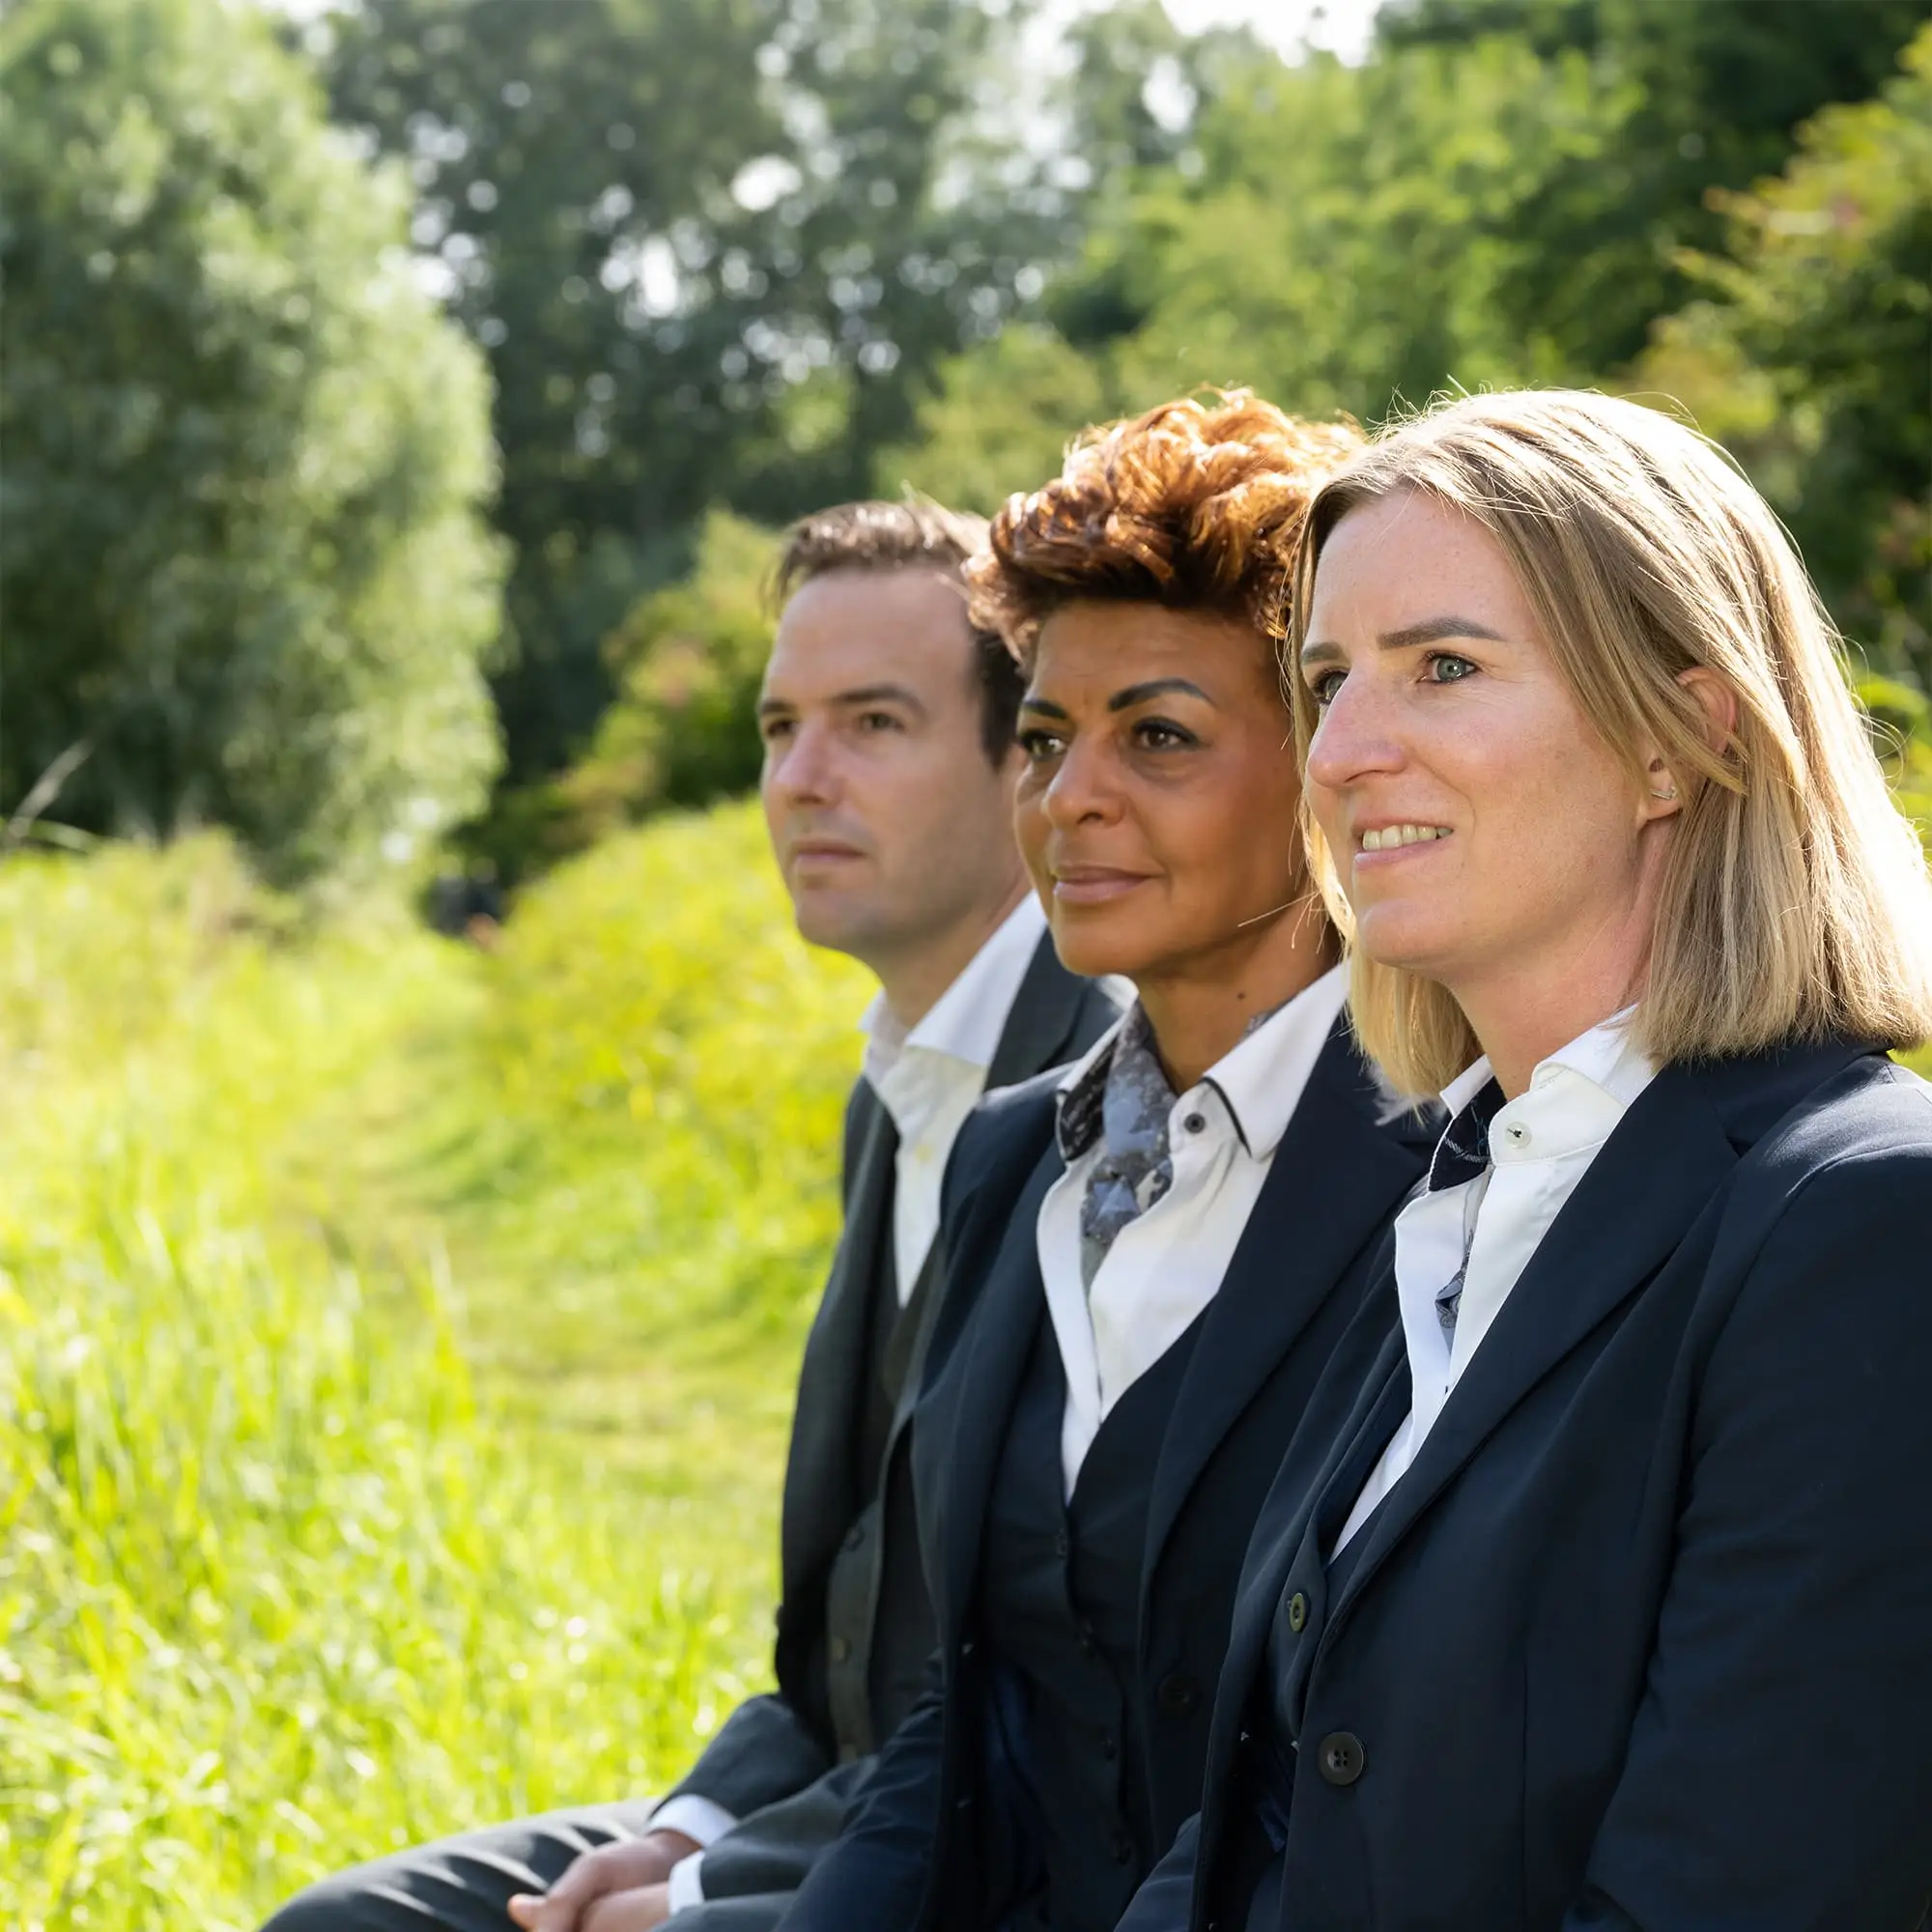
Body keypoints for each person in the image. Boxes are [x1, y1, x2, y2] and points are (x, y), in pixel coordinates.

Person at [1117, 389, 1932, 1932]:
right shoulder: (1460, 1196)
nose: (1344, 751)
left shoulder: (1867, 1223)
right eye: (1328, 681)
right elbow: (1252, 1833)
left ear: (1686, 738)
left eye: (1445, 667)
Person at [259, 500, 1122, 1932]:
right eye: (781, 729)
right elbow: (842, 1644)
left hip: (989, 1859)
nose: (801, 779)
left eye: (874, 724)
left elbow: (1049, 1689)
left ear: (1023, 760)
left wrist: (722, 1889)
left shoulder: (1112, 1099)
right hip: (815, 1809)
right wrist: (693, 1825)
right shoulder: (889, 1096)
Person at [778, 394, 1435, 1932]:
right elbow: (958, 1720)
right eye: (1045, 740)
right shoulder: (1016, 1158)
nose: (1072, 798)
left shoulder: (1453, 1172)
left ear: (1328, 760)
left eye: (1159, 737)